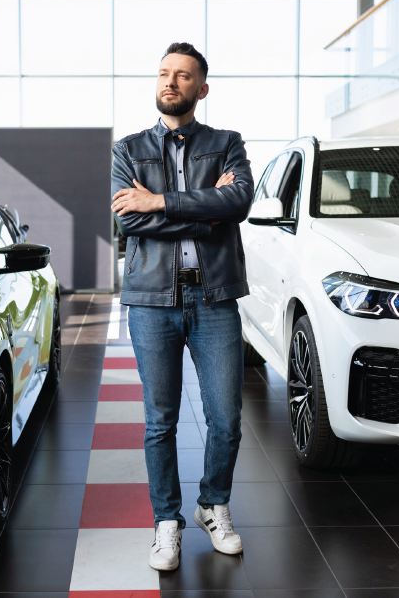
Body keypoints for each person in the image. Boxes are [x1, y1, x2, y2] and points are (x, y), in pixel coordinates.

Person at [111, 42, 254, 571]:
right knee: (159, 421)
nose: (171, 81)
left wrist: (159, 201)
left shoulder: (227, 143)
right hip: (152, 302)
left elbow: (238, 202)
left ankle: (212, 506)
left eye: (184, 75)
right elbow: (130, 221)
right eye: (165, 73)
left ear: (202, 88)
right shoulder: (127, 150)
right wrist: (205, 211)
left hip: (214, 297)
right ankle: (165, 520)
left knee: (227, 419)